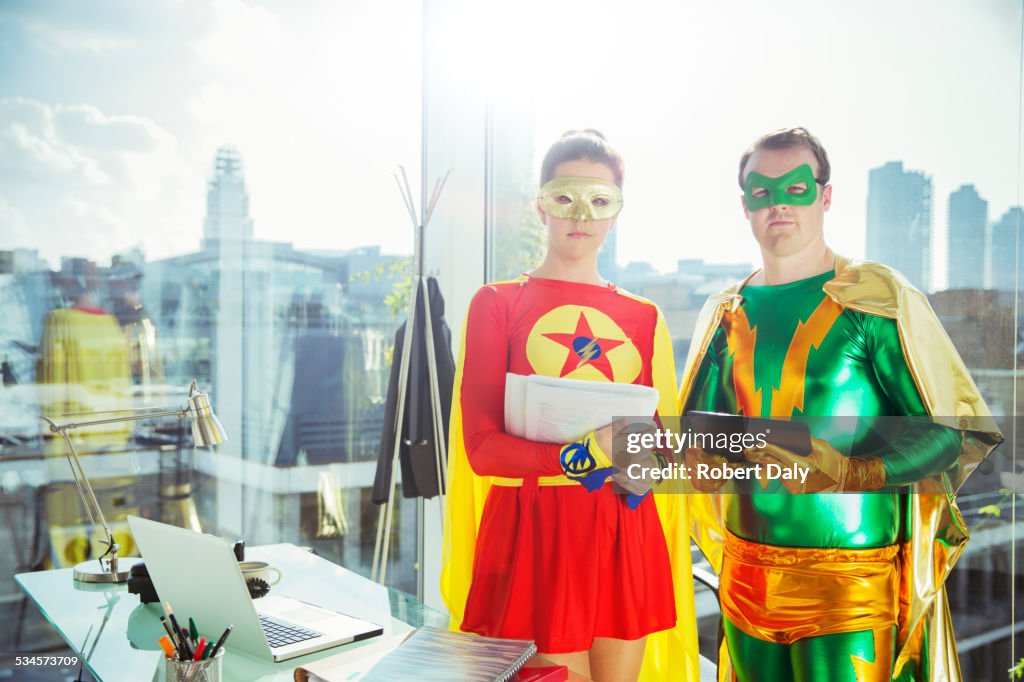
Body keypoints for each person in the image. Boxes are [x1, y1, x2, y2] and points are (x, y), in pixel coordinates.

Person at [679, 127, 1002, 681]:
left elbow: (951, 429)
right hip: (744, 580)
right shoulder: (726, 311)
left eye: (796, 187)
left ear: (825, 196)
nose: (778, 202)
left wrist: (854, 469)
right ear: (744, 206)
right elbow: (697, 438)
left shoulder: (874, 296)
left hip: (849, 584)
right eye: (762, 191)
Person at [441, 130, 699, 681]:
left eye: (599, 200)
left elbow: (652, 443)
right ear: (541, 205)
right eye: (566, 197)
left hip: (622, 530)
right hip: (535, 533)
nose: (581, 215)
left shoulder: (644, 315)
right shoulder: (496, 303)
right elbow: (482, 450)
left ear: (615, 213)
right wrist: (582, 455)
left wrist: (650, 459)